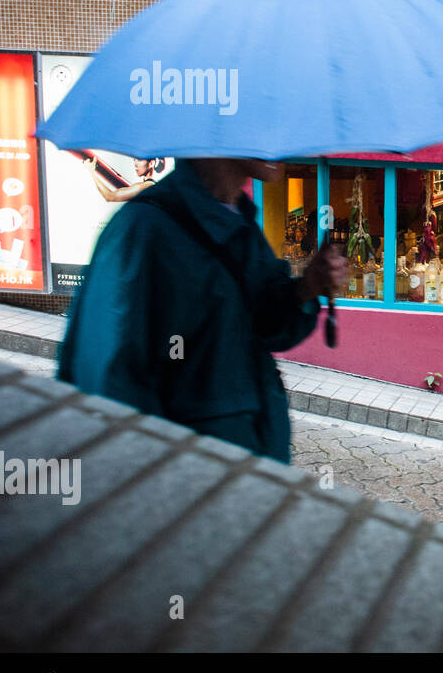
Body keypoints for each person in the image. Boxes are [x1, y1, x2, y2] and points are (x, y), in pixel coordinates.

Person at [58, 158, 346, 463]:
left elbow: (266, 327)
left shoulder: (238, 220)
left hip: (250, 472)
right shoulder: (140, 233)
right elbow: (106, 390)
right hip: (194, 488)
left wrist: (306, 288)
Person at [84, 155, 164, 203]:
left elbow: (109, 196)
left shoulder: (145, 186)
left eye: (139, 160)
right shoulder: (151, 185)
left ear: (151, 163)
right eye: (134, 160)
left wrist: (91, 171)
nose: (135, 164)